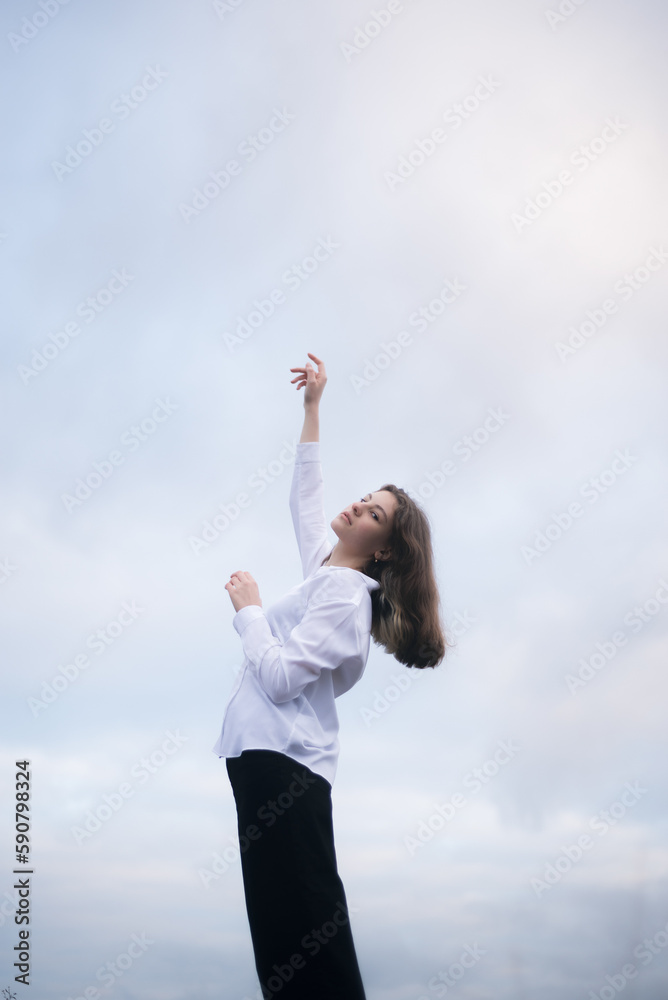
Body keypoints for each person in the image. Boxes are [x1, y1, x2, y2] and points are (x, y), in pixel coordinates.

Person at [213, 352, 447, 999]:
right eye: (366, 498)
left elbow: (282, 677)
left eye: (374, 514)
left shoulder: (346, 599)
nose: (358, 507)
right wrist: (314, 408)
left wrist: (250, 612)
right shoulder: (331, 576)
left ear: (386, 549)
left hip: (285, 770)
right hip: (270, 766)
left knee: (302, 936)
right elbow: (306, 500)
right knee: (289, 939)